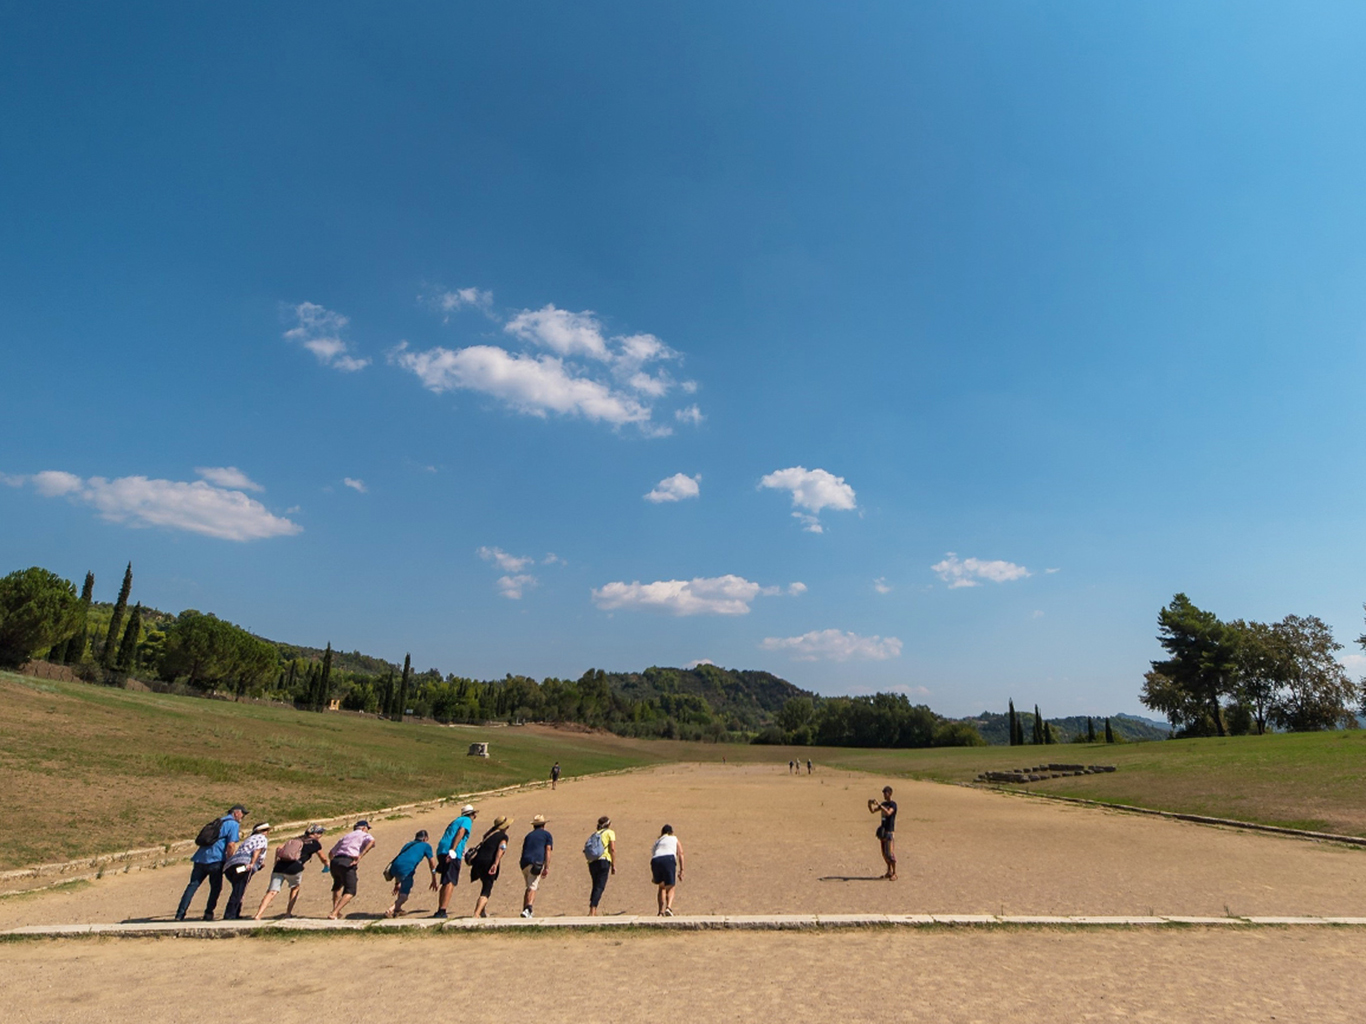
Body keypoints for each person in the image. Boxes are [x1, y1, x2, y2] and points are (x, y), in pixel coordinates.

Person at [175, 804, 245, 921]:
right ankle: (208, 913)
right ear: (236, 813)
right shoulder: (233, 824)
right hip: (216, 859)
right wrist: (230, 859)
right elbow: (231, 844)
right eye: (243, 813)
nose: (243, 816)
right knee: (215, 888)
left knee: (192, 886)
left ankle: (180, 914)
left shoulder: (218, 821)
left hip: (200, 858)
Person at [254, 824, 328, 919]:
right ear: (315, 834)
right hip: (295, 867)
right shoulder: (315, 844)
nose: (321, 835)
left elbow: (279, 848)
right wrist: (327, 865)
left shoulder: (295, 839)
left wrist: (276, 862)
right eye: (320, 833)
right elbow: (323, 857)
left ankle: (258, 914)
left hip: (280, 866)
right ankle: (288, 913)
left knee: (272, 891)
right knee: (295, 888)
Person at [433, 804, 476, 918]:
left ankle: (440, 909)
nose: (474, 817)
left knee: (445, 880)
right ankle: (442, 910)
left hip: (441, 850)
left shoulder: (456, 820)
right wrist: (452, 850)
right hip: (451, 852)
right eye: (474, 814)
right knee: (450, 881)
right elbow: (461, 832)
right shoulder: (467, 820)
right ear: (471, 814)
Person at [327, 820, 376, 919]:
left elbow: (331, 853)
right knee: (350, 890)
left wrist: (334, 862)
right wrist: (361, 855)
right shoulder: (363, 834)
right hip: (348, 861)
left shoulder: (346, 836)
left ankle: (335, 909)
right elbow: (372, 841)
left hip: (335, 861)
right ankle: (334, 913)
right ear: (363, 828)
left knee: (337, 885)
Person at [223, 822, 270, 920]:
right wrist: (253, 863)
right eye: (266, 830)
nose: (267, 833)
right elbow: (257, 850)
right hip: (245, 865)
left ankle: (235, 913)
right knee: (239, 889)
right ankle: (230, 915)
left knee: (238, 888)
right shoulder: (262, 838)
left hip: (231, 865)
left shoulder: (249, 839)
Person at [385, 829, 437, 918]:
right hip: (407, 869)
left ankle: (398, 909)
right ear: (425, 838)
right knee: (404, 895)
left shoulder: (408, 845)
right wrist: (434, 879)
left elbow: (401, 860)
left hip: (394, 867)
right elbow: (432, 864)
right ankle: (391, 910)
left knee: (402, 887)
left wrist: (397, 883)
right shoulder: (426, 846)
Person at [469, 815, 512, 918]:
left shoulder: (488, 834)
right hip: (488, 863)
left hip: (478, 863)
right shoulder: (503, 837)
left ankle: (482, 911)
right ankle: (476, 913)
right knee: (486, 889)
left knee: (484, 884)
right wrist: (495, 864)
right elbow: (501, 849)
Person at [518, 814, 553, 918]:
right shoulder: (547, 835)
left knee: (528, 886)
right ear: (543, 825)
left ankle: (525, 909)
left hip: (524, 862)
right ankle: (528, 909)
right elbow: (548, 850)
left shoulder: (529, 835)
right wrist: (546, 867)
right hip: (536, 862)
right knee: (533, 886)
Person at [650, 824, 684, 917]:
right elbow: (680, 853)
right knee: (671, 886)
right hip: (668, 859)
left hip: (656, 860)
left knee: (662, 887)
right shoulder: (674, 838)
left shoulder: (657, 841)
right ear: (671, 832)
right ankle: (668, 908)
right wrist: (681, 870)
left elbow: (653, 854)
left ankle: (660, 911)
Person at [585, 815, 616, 916]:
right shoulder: (610, 833)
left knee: (595, 885)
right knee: (600, 886)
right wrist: (613, 864)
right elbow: (612, 849)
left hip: (592, 862)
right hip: (604, 860)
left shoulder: (595, 834)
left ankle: (593, 909)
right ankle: (592, 910)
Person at [867, 786, 898, 881]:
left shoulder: (893, 804)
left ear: (890, 793)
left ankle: (895, 873)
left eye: (886, 793)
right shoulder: (883, 804)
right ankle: (889, 871)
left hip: (889, 832)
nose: (884, 795)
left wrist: (880, 806)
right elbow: (873, 811)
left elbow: (889, 813)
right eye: (883, 793)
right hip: (883, 831)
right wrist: (869, 804)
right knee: (884, 854)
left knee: (890, 854)